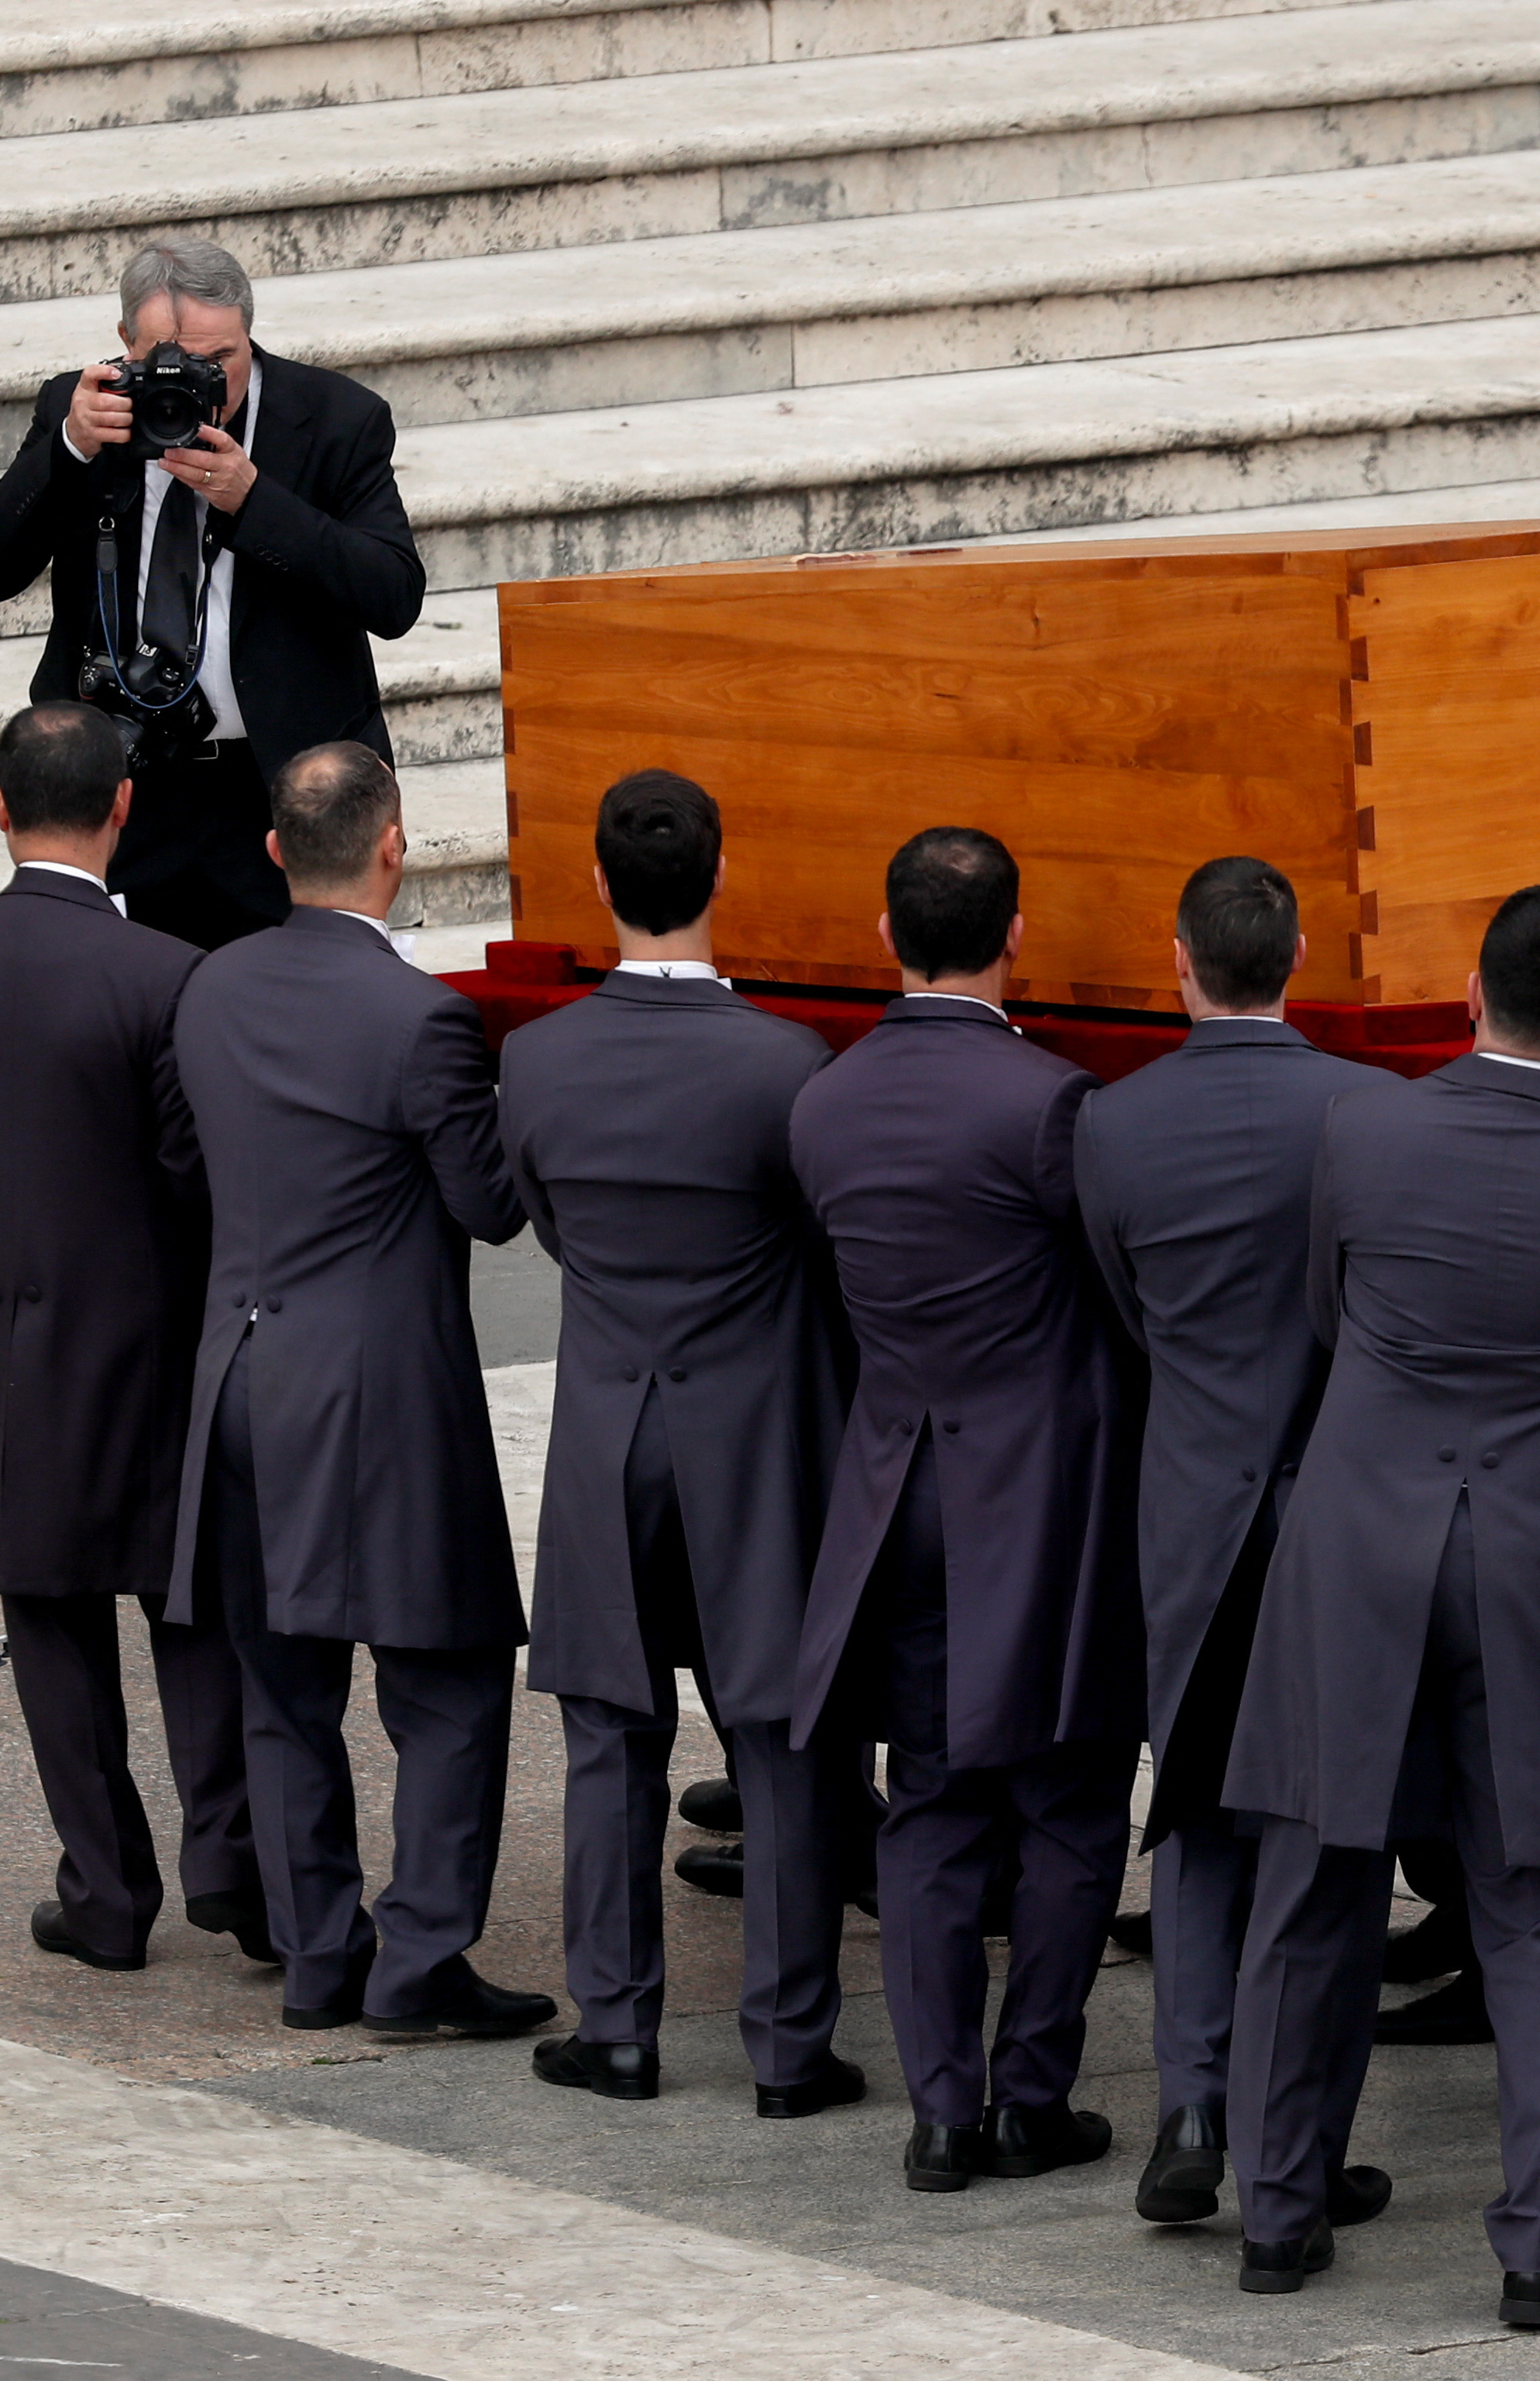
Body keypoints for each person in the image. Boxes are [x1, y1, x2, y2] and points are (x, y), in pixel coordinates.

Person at [1219, 883, 1540, 2325]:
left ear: (1466, 991)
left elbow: (1322, 1304)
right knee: (1537, 1903)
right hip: (1531, 1553)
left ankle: (1279, 2210)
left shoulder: (1361, 1123)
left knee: (1311, 1876)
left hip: (1359, 1532)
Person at [166, 741, 555, 2039]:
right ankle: (422, 1953)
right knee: (443, 1676)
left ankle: (322, 1952)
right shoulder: (420, 1018)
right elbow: (487, 1203)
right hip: (378, 1389)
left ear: (276, 849)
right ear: (395, 846)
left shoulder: (210, 988)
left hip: (236, 1372)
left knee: (279, 1686)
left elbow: (185, 1154)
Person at [497, 770, 865, 2115]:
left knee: (610, 1734)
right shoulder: (783, 1065)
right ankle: (786, 2046)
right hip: (751, 1431)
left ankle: (620, 2025)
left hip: (608, 1427)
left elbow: (541, 1214)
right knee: (775, 1740)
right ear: (722, 876)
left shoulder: (535, 1058)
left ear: (599, 885)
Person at [786, 827, 1146, 2193]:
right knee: (1064, 1800)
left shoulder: (824, 1102)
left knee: (927, 1802)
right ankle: (1030, 2092)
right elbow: (1116, 1295)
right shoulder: (1050, 1103)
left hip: (900, 1490)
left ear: (886, 934)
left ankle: (941, 2108)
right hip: (1040, 1495)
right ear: (1017, 934)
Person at [0, 703, 260, 1974]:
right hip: (152, 1323)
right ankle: (231, 1861)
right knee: (191, 1601)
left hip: (7, 1325)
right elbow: (186, 1166)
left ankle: (104, 1890)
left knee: (50, 1612)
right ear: (124, 807)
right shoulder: (167, 973)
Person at [1072, 857, 1362, 2225]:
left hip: (1187, 1495)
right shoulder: (1366, 1110)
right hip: (1325, 1500)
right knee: (1308, 1820)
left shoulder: (1113, 1126)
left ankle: (1188, 2095)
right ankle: (1285, 2132)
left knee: (1187, 1804)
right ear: (1298, 954)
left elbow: (1128, 1307)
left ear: (1176, 957)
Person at [0, 239, 426, 951]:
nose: (204, 381)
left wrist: (257, 502)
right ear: (124, 346)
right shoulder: (84, 407)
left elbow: (395, 596)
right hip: (126, 784)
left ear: (250, 333)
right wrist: (68, 449)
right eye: (167, 361)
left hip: (282, 790)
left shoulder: (335, 417)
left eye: (222, 358)